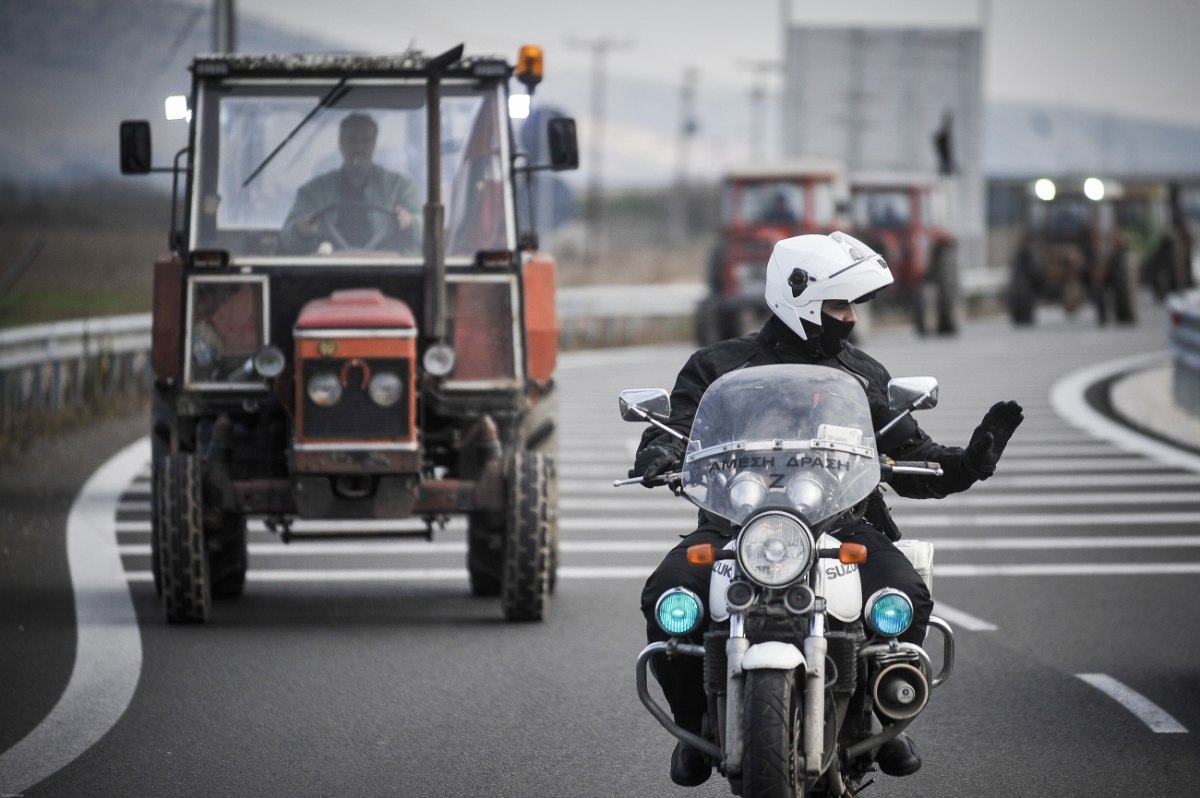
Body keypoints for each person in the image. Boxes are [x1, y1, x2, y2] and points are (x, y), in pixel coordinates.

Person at [630, 231, 1024, 787]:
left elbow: (910, 453)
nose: (850, 318)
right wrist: (661, 452)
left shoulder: (862, 375)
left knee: (904, 597)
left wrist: (968, 462)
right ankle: (694, 726)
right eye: (839, 305)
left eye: (851, 306)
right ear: (801, 298)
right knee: (667, 597)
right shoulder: (719, 366)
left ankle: (880, 712)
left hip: (843, 523)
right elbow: (679, 427)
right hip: (732, 525)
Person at [280, 112, 421, 254]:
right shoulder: (314, 192)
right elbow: (287, 237)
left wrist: (411, 224)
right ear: (341, 143)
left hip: (392, 272)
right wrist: (300, 231)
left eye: (366, 140)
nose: (359, 148)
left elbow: (427, 229)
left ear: (374, 144)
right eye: (353, 140)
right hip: (326, 272)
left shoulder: (400, 188)